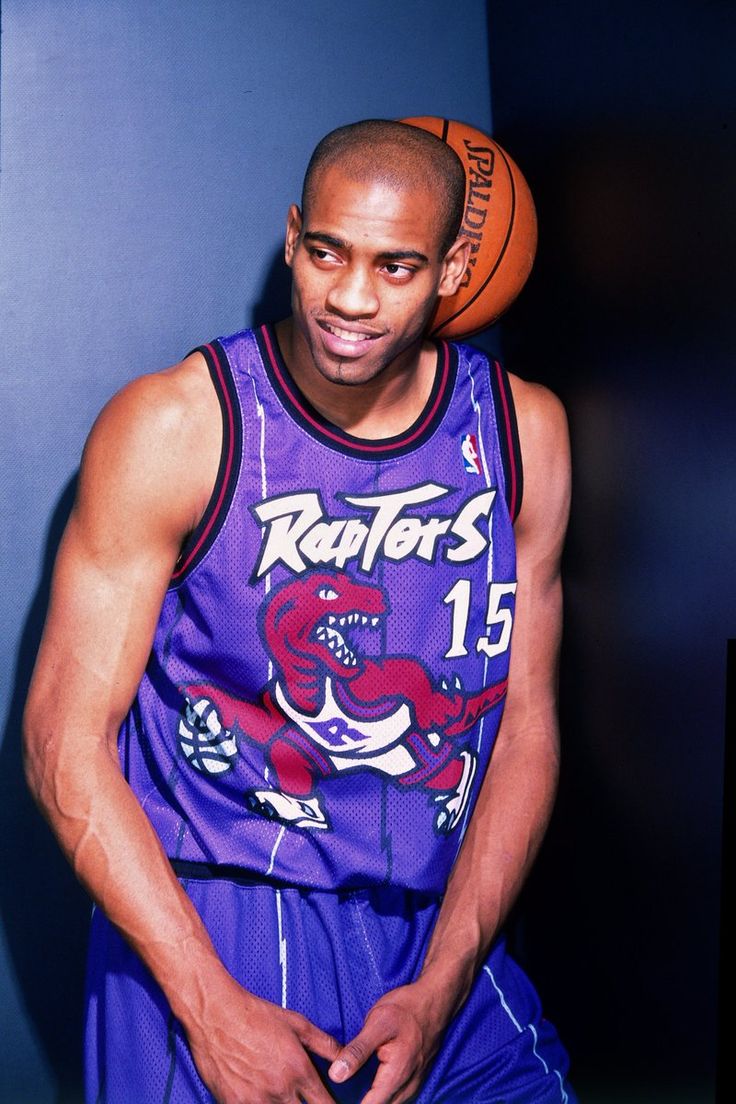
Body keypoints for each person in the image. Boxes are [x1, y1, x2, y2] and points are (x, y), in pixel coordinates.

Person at [23, 119, 575, 1104]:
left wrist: (445, 983)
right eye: (328, 254)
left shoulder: (522, 432)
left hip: (429, 932)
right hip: (208, 920)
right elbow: (61, 739)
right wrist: (210, 1009)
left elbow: (524, 724)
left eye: (397, 267)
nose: (351, 299)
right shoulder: (176, 428)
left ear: (454, 267)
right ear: (292, 237)